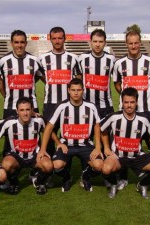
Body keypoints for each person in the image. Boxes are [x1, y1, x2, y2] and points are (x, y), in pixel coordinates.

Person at [113, 30, 150, 193]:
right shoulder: (119, 64)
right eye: (130, 43)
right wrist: (129, 101)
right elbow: (118, 85)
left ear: (140, 42)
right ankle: (123, 178)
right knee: (123, 145)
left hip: (147, 111)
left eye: (136, 42)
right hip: (126, 114)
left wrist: (143, 98)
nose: (133, 46)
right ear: (126, 44)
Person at [100, 87, 150, 199]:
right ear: (122, 102)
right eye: (126, 102)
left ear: (136, 102)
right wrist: (106, 148)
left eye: (132, 102)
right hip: (118, 156)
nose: (129, 105)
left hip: (137, 157)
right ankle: (113, 184)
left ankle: (142, 184)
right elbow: (101, 128)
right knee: (106, 169)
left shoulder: (143, 119)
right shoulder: (114, 117)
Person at [37, 78, 103, 192]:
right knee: (56, 165)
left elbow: (97, 125)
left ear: (83, 90)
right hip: (66, 144)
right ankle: (67, 177)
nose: (76, 93)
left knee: (99, 165)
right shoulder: (61, 106)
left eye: (78, 90)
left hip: (86, 144)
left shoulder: (91, 107)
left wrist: (98, 147)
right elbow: (48, 127)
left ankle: (85, 177)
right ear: (68, 90)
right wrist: (43, 149)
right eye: (73, 90)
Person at [79, 29, 115, 188]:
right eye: (95, 41)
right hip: (87, 108)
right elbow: (78, 81)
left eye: (101, 42)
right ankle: (87, 171)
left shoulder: (112, 60)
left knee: (109, 142)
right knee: (87, 141)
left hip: (106, 106)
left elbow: (118, 81)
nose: (98, 44)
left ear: (105, 43)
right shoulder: (82, 59)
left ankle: (108, 174)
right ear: (90, 42)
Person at [0, 30, 45, 154]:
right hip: (10, 106)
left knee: (34, 136)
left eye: (22, 42)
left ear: (26, 43)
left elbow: (41, 77)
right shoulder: (3, 61)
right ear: (11, 43)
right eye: (16, 42)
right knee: (9, 139)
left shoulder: (34, 60)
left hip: (32, 107)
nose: (19, 45)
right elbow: (0, 82)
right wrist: (7, 95)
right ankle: (10, 169)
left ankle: (36, 166)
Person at [0, 97, 53, 195]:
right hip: (16, 157)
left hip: (35, 156)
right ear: (17, 111)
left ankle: (39, 181)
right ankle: (14, 183)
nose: (25, 113)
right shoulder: (9, 123)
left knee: (49, 166)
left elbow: (49, 131)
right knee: (6, 165)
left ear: (32, 110)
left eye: (27, 109)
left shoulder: (39, 120)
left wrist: (57, 144)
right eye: (22, 110)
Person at [39, 26, 82, 157]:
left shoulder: (73, 58)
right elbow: (41, 76)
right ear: (50, 39)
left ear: (64, 39)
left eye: (60, 38)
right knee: (49, 134)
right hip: (50, 103)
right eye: (54, 38)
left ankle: (64, 168)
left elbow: (78, 78)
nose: (57, 41)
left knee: (68, 135)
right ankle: (49, 166)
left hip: (68, 104)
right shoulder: (42, 59)